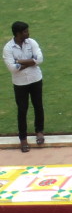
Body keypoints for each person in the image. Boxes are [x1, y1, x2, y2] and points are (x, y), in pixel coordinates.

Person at [4, 21, 44, 153]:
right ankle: (23, 139)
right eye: (25, 31)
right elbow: (12, 68)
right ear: (18, 33)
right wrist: (31, 61)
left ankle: (39, 132)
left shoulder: (32, 42)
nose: (28, 33)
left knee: (38, 106)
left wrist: (20, 61)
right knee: (22, 110)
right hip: (20, 83)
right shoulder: (8, 48)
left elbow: (39, 60)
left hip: (35, 79)